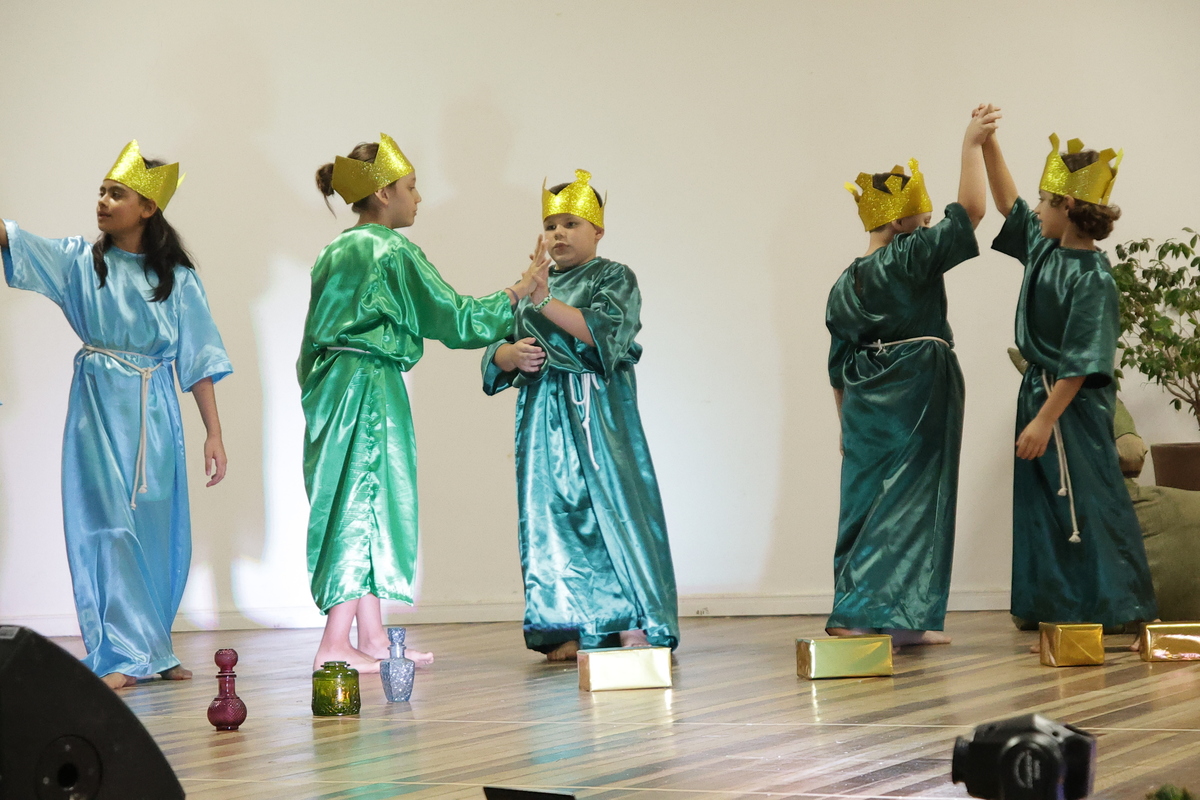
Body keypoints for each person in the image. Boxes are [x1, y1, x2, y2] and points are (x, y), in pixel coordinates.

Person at [301, 133, 544, 673]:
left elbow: (309, 342)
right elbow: (454, 318)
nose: (418, 197)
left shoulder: (333, 251)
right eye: (411, 187)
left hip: (334, 383)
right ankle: (335, 643)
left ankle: (372, 637)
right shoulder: (391, 251)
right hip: (369, 385)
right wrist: (518, 290)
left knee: (358, 498)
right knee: (363, 501)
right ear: (383, 193)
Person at [1, 141, 231, 690]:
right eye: (101, 191)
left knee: (156, 529)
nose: (103, 201)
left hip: (154, 415)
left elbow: (198, 359)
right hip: (97, 413)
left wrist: (213, 433)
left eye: (116, 194)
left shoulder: (177, 279)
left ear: (148, 208)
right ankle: (120, 652)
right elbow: (13, 239)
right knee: (107, 526)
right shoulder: (80, 262)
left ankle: (153, 646)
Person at [482, 170, 679, 661]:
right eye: (551, 226)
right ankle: (565, 624)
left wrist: (544, 301)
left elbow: (603, 332)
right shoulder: (535, 282)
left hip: (597, 410)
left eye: (571, 224)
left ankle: (633, 619)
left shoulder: (612, 276)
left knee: (612, 505)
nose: (559, 234)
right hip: (542, 414)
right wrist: (509, 355)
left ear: (598, 231)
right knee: (552, 514)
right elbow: (496, 345)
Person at [825, 107, 998, 646]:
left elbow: (837, 367)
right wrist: (971, 145)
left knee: (867, 500)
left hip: (864, 404)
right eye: (922, 219)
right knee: (917, 498)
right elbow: (972, 211)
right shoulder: (909, 255)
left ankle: (880, 616)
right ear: (900, 224)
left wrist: (845, 427)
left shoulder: (844, 284)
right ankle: (886, 615)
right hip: (918, 388)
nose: (928, 226)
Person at [981, 119, 1157, 631]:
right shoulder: (1044, 249)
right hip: (1039, 394)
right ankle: (1054, 606)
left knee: (1090, 497)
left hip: (1070, 406)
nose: (1035, 210)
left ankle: (1122, 608)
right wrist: (989, 143)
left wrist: (1043, 420)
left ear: (1068, 206)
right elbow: (1007, 203)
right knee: (1043, 505)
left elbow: (1081, 361)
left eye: (1044, 201)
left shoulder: (1094, 279)